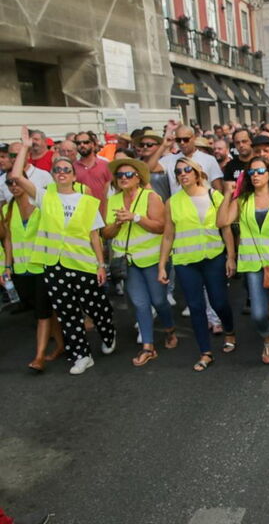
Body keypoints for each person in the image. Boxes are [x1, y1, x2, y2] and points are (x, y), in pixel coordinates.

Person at [9, 127, 115, 375]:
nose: (62, 173)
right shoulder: (45, 197)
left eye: (67, 169)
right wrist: (24, 147)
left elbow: (94, 236)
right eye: (57, 170)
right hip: (54, 265)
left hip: (83, 264)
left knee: (96, 307)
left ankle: (108, 333)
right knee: (67, 313)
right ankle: (81, 355)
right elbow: (17, 176)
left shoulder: (88, 201)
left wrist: (101, 265)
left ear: (74, 175)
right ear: (53, 174)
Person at [218, 156, 269, 378]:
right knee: (257, 314)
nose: (255, 175)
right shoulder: (243, 200)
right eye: (251, 172)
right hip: (253, 262)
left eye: (260, 171)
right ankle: (267, 338)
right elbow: (222, 222)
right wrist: (228, 194)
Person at [158, 158, 236, 372]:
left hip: (213, 257)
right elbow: (167, 236)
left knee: (219, 302)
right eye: (178, 171)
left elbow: (226, 229)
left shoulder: (214, 196)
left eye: (187, 170)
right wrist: (162, 265)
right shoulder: (172, 202)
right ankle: (205, 352)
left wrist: (230, 257)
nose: (183, 174)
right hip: (185, 261)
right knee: (196, 307)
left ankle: (229, 330)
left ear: (197, 173)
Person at [103, 158, 175, 366]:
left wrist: (135, 218)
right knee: (140, 303)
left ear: (138, 178)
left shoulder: (150, 197)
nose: (123, 178)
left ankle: (169, 329)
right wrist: (117, 223)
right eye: (119, 175)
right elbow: (105, 232)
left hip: (152, 259)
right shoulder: (113, 200)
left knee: (159, 301)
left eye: (128, 175)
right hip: (128, 262)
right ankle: (148, 347)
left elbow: (161, 227)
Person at [1, 174, 64, 370]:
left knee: (42, 314)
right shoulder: (7, 209)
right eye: (9, 183)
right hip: (21, 269)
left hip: (42, 266)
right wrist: (8, 266)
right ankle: (62, 344)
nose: (14, 186)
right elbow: (8, 240)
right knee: (45, 309)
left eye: (17, 181)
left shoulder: (40, 206)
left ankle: (39, 357)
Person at [161, 125, 224, 194]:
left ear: (194, 138)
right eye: (178, 140)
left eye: (186, 139)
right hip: (179, 203)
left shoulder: (209, 159)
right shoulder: (169, 160)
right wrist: (163, 145)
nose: (182, 143)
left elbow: (218, 188)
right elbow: (150, 167)